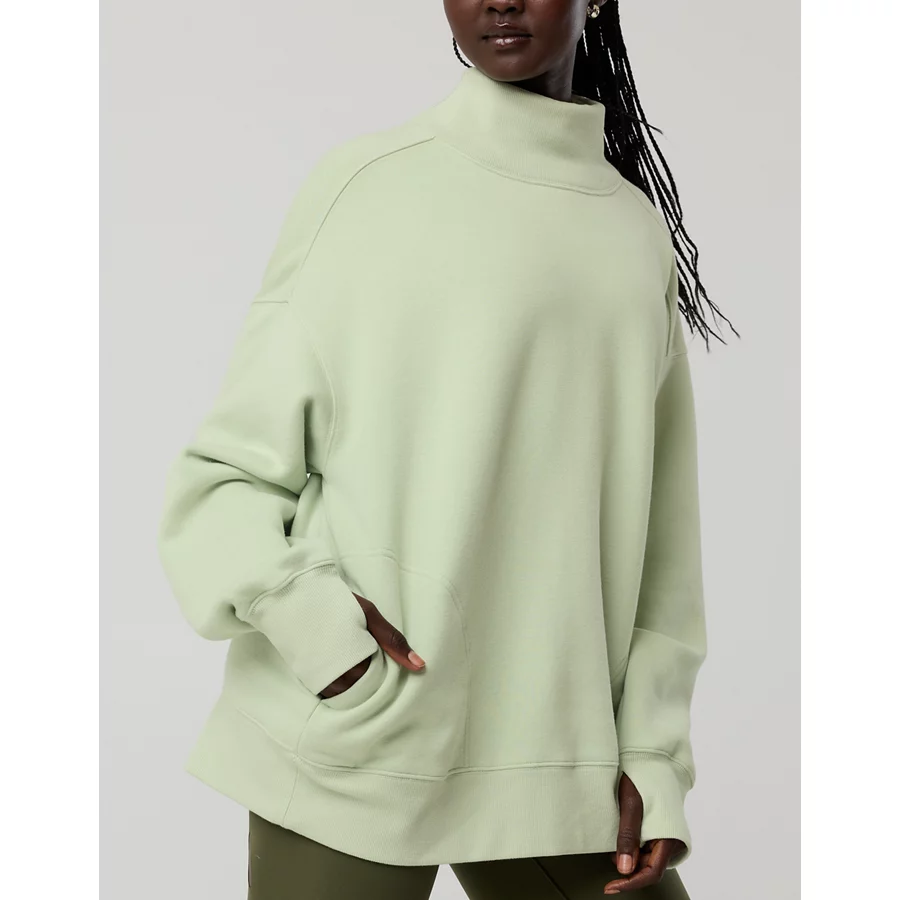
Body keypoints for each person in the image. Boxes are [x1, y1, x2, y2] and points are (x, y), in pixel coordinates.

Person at [156, 1, 738, 897]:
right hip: (363, 734)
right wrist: (323, 637)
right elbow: (227, 476)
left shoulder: (633, 233)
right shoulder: (368, 186)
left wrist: (652, 751)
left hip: (559, 759)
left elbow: (663, 539)